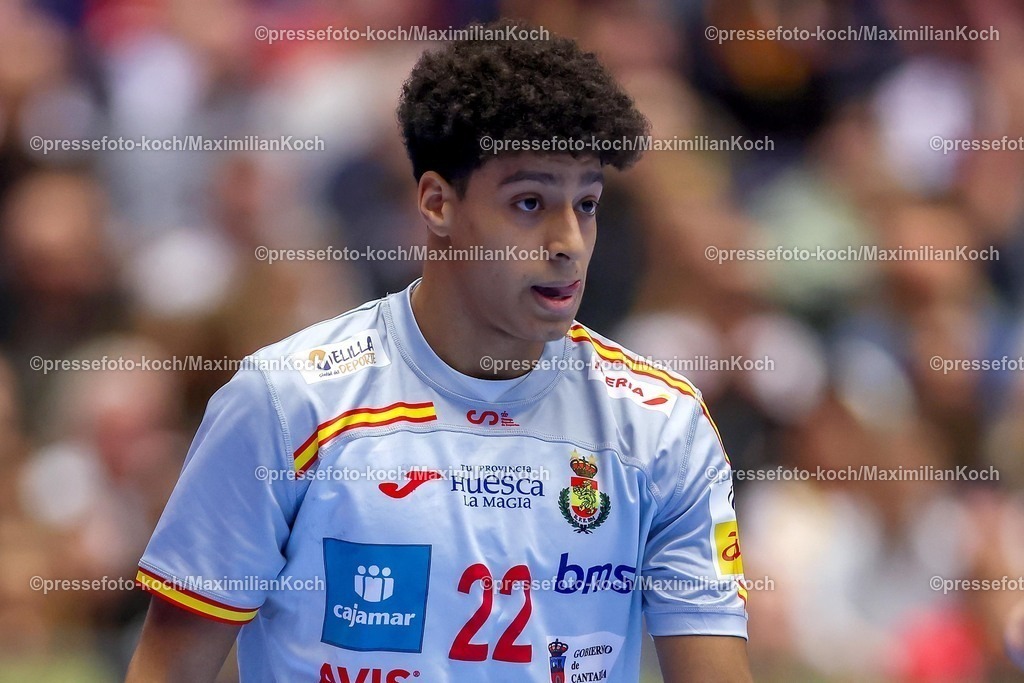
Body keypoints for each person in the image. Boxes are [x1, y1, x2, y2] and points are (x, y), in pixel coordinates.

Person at [127, 19, 751, 682]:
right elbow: (168, 667)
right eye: (530, 201)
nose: (569, 240)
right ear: (436, 203)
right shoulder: (288, 400)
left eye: (588, 204)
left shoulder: (661, 425)